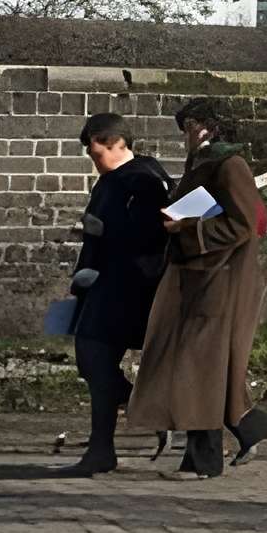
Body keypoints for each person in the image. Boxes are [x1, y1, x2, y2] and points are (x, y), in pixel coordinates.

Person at [134, 99, 267, 478]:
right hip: (197, 276)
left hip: (223, 280)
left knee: (198, 368)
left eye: (190, 126)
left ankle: (203, 460)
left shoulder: (231, 165)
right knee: (204, 368)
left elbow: (244, 225)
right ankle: (248, 426)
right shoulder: (201, 163)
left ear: (208, 127)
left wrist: (186, 228)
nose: (185, 135)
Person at [55, 112, 171, 476]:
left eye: (96, 152)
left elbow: (154, 233)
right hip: (104, 285)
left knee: (93, 357)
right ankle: (106, 443)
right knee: (93, 361)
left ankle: (123, 429)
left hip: (127, 288)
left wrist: (103, 229)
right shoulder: (116, 179)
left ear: (115, 143)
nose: (94, 160)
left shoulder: (142, 179)